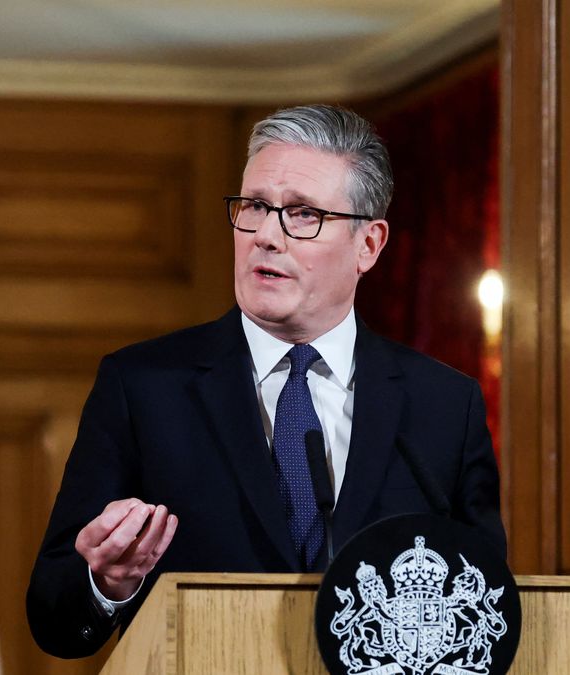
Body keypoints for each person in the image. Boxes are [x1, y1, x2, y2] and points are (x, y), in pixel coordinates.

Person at [26, 104, 505, 659]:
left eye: (303, 214)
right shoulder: (143, 387)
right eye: (255, 206)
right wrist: (107, 583)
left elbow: (486, 604)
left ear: (368, 245)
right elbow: (54, 619)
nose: (266, 236)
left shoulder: (444, 405)